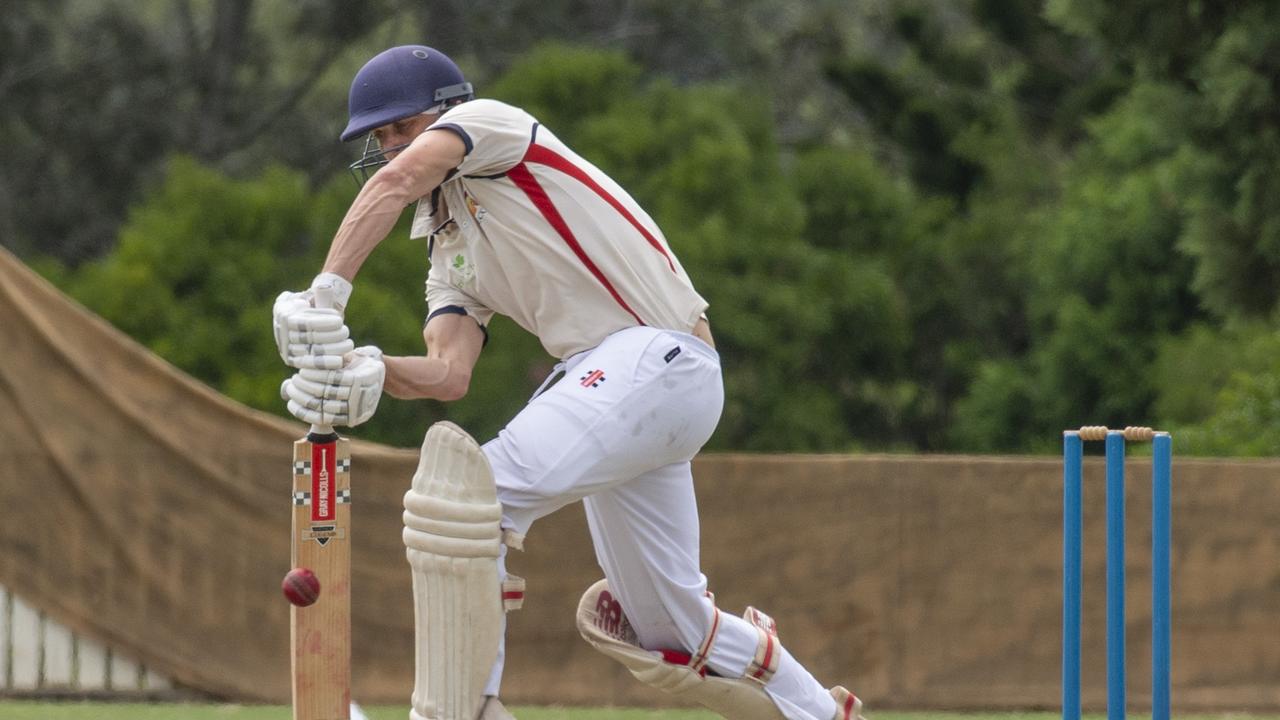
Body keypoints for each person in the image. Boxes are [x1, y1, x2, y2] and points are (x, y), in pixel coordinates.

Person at [272, 45, 864, 720]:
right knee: (674, 629)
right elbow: (449, 373)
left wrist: (326, 294)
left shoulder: (491, 126)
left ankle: (461, 709)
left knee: (473, 497)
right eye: (378, 137)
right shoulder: (445, 249)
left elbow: (396, 182)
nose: (388, 146)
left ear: (444, 112)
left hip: (656, 357)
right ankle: (822, 712)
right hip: (634, 395)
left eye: (399, 128)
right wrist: (370, 371)